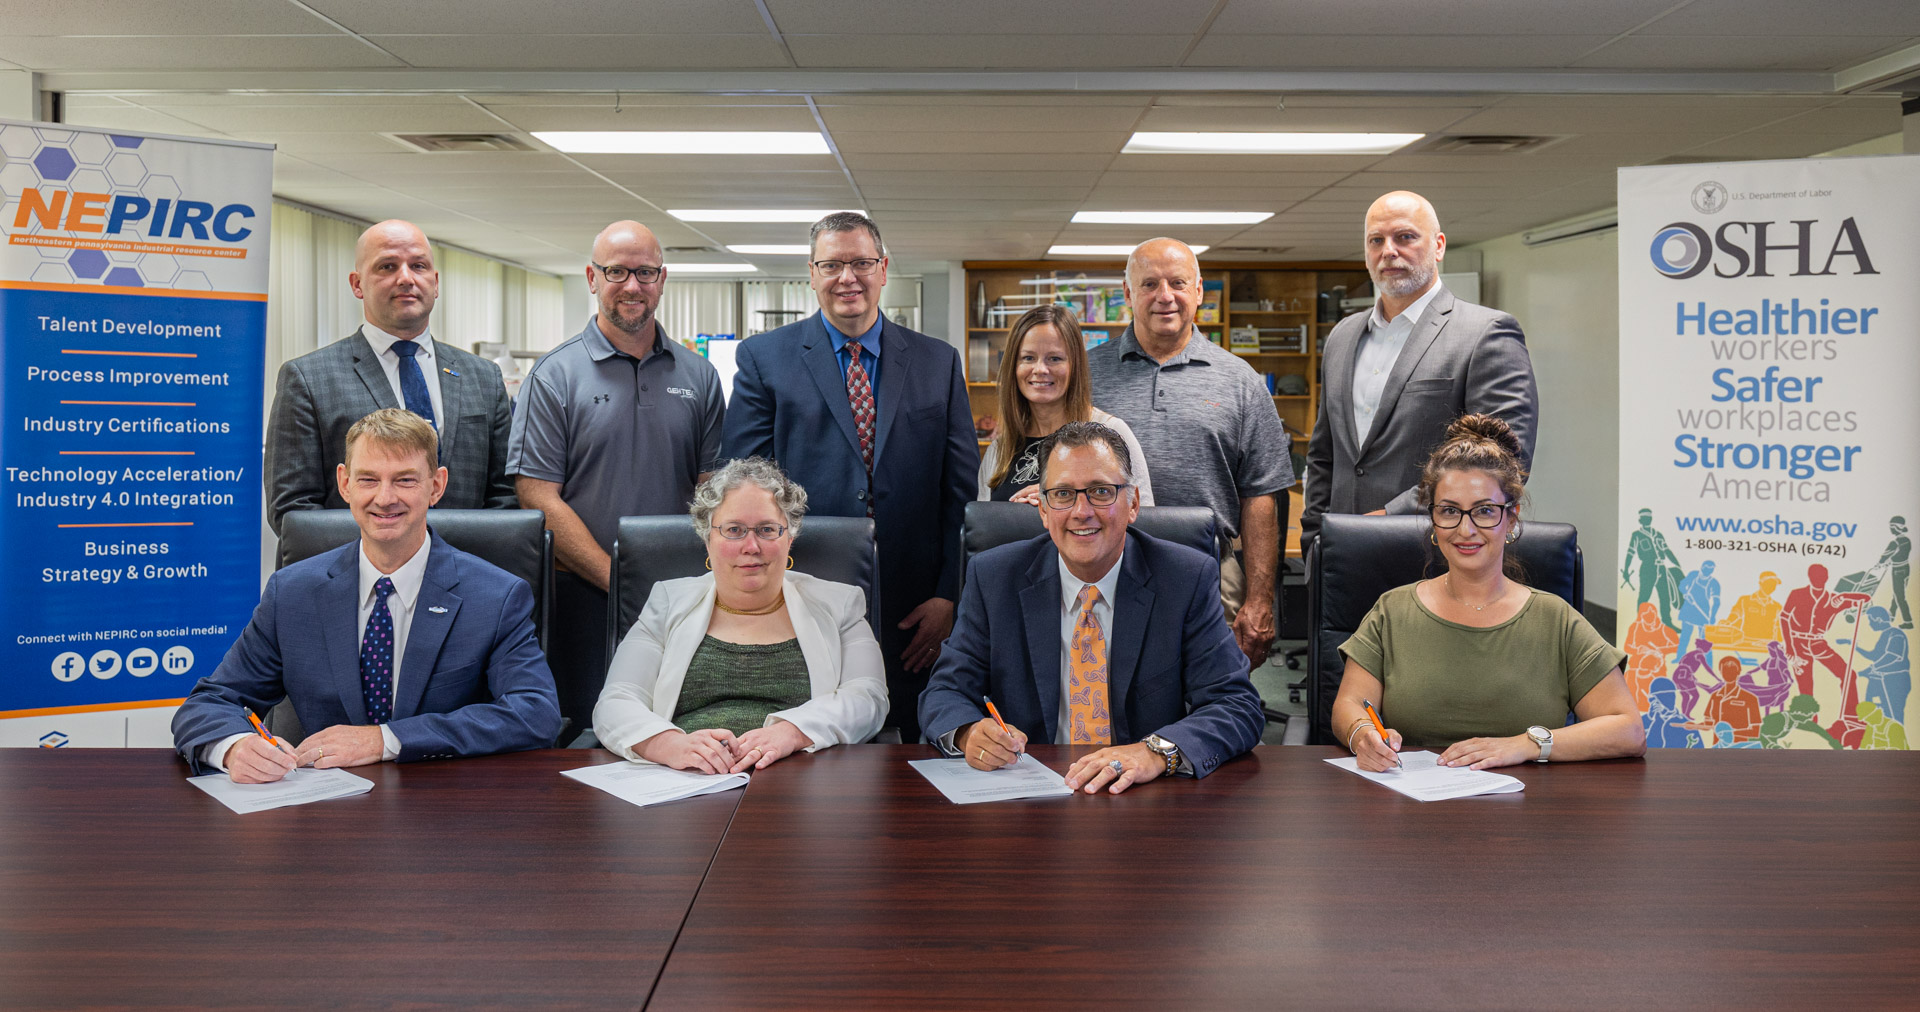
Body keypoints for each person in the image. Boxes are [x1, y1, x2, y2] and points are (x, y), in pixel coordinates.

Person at [173, 409, 561, 782]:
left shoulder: (496, 596)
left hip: (442, 813)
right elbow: (210, 703)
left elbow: (534, 714)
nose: (385, 498)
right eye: (368, 480)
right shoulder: (292, 592)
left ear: (436, 486)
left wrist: (386, 739)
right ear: (344, 483)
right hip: (321, 813)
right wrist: (234, 747)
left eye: (406, 480)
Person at [723, 212, 976, 742]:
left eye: (861, 263)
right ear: (811, 274)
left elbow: (959, 496)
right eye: (832, 264)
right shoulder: (765, 359)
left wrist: (949, 596)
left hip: (917, 611)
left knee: (916, 745)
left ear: (883, 269)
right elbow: (744, 488)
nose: (848, 278)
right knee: (814, 738)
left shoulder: (938, 362)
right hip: (804, 591)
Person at [919, 421, 1265, 794]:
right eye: (1063, 494)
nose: (1082, 511)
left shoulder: (1184, 578)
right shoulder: (994, 578)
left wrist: (1155, 752)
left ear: (1133, 503)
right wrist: (970, 732)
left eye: (1101, 491)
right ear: (1044, 510)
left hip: (1143, 797)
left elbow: (1236, 705)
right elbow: (943, 692)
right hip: (1028, 795)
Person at [508, 221, 726, 735]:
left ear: (662, 278)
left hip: (682, 597)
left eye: (645, 272)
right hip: (583, 598)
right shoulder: (554, 375)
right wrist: (618, 579)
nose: (632, 285)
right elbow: (536, 495)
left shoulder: (699, 376)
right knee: (591, 734)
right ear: (592, 277)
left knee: (676, 727)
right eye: (617, 271)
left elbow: (712, 489)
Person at [1332, 414, 1643, 771]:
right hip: (1414, 806)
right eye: (1449, 511)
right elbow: (1349, 704)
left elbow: (1628, 730)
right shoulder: (1392, 610)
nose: (1466, 529)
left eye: (1484, 511)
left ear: (1511, 519)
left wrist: (1525, 745)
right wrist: (1362, 735)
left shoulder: (1555, 619)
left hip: (1531, 812)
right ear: (1433, 519)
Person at [594, 458, 887, 771]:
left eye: (766, 529)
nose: (751, 546)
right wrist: (670, 744)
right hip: (688, 781)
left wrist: (791, 732)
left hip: (798, 779)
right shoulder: (667, 602)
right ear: (707, 538)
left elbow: (868, 698)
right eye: (733, 530)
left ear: (790, 537)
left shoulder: (841, 604)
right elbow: (615, 702)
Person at [1086, 238, 1294, 666]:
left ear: (1199, 292)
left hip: (1212, 576)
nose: (1166, 296)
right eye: (1149, 285)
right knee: (1109, 695)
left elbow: (1261, 496)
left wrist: (1259, 599)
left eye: (1178, 283)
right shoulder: (1086, 374)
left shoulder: (1241, 381)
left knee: (1211, 702)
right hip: (1103, 570)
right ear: (1127, 294)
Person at [1302, 191, 1539, 552]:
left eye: (1406, 237)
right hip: (1341, 552)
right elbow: (1325, 454)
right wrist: (1315, 535)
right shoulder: (1342, 337)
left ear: (1439, 246)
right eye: (1376, 240)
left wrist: (1391, 516)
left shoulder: (1485, 333)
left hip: (1436, 551)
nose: (1389, 251)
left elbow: (1502, 459)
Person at [265, 219, 515, 534]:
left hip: (465, 572)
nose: (406, 278)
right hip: (356, 576)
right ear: (357, 284)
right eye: (387, 267)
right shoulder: (307, 379)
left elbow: (505, 496)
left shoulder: (483, 377)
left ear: (435, 282)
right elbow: (293, 511)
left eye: (419, 266)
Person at [979, 304, 1152, 505]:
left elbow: (1144, 520)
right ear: (1013, 367)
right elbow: (983, 529)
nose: (1040, 369)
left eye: (1054, 358)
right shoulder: (1000, 449)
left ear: (1074, 366)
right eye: (1028, 358)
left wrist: (1062, 497)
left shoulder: (1112, 433)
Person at [1624, 508, 1685, 629]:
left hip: (1661, 567)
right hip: (1647, 568)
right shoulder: (1637, 535)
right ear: (1641, 520)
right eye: (1645, 518)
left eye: (1649, 518)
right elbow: (1630, 553)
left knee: (1665, 596)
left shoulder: (1658, 535)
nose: (1647, 520)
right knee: (1644, 596)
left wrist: (1678, 565)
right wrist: (1626, 570)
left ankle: (1667, 622)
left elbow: (1667, 550)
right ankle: (1640, 623)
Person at [1703, 570, 1783, 653]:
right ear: (1761, 583)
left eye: (1774, 585)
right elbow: (1736, 613)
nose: (1772, 587)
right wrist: (1728, 621)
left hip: (1768, 644)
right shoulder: (1745, 600)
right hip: (1747, 642)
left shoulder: (1777, 606)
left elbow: (1779, 626)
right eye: (1770, 584)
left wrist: (1781, 643)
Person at [1676, 561, 1721, 658]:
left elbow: (1716, 602)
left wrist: (1712, 616)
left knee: (1704, 640)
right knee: (1685, 636)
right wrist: (1686, 593)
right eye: (1706, 567)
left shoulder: (1714, 583)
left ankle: (1705, 661)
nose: (1708, 570)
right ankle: (1680, 658)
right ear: (1701, 567)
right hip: (1688, 610)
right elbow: (1682, 585)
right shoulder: (1693, 575)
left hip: (1703, 613)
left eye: (1711, 568)